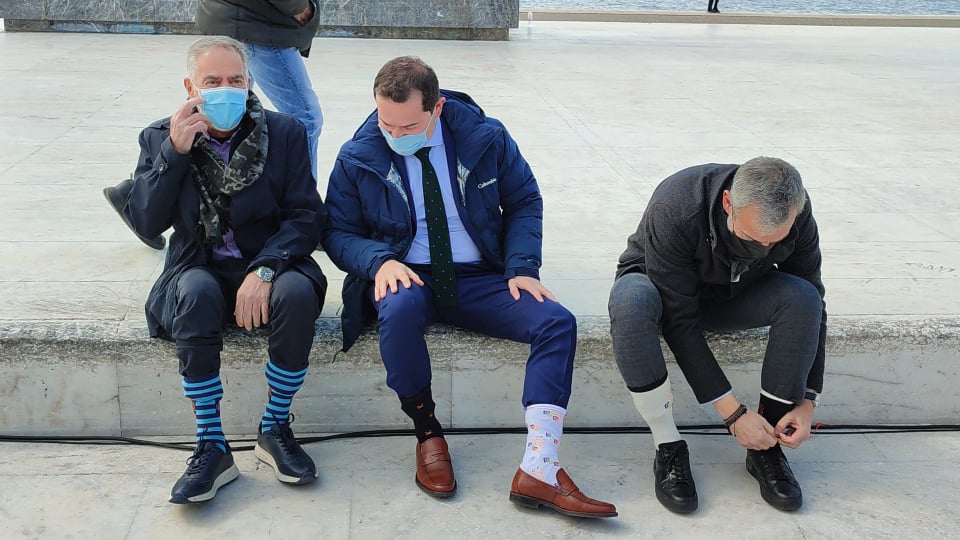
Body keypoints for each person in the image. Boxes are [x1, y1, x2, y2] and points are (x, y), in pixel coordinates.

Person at [322, 56, 617, 518]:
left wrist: (522, 266)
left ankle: (540, 466)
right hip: (409, 272)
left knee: (556, 322)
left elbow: (524, 200)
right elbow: (337, 231)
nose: (395, 135)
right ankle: (427, 432)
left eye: (409, 126)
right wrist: (379, 262)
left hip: (481, 275)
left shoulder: (486, 138)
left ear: (436, 107)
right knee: (397, 309)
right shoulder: (358, 154)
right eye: (386, 123)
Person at [122, 36, 327, 504]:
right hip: (199, 267)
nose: (226, 89)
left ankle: (275, 426)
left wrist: (265, 269)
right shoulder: (159, 137)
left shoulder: (284, 133)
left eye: (235, 80)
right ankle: (211, 444)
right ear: (190, 87)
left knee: (296, 294)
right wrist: (174, 153)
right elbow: (146, 222)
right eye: (212, 81)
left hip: (271, 260)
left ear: (250, 82)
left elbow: (306, 215)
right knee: (195, 291)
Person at [608, 157, 826, 513]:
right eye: (752, 238)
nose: (763, 249)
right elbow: (678, 321)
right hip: (662, 290)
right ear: (728, 203)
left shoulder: (795, 207)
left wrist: (808, 400)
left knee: (803, 297)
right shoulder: (675, 205)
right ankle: (668, 446)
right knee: (630, 301)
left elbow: (815, 295)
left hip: (734, 293)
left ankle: (765, 444)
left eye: (775, 242)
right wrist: (733, 414)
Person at [103, 0, 324, 249]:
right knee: (304, 117)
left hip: (237, 15)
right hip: (259, 19)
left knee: (232, 114)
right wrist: (298, 6)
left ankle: (144, 190)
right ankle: (296, 210)